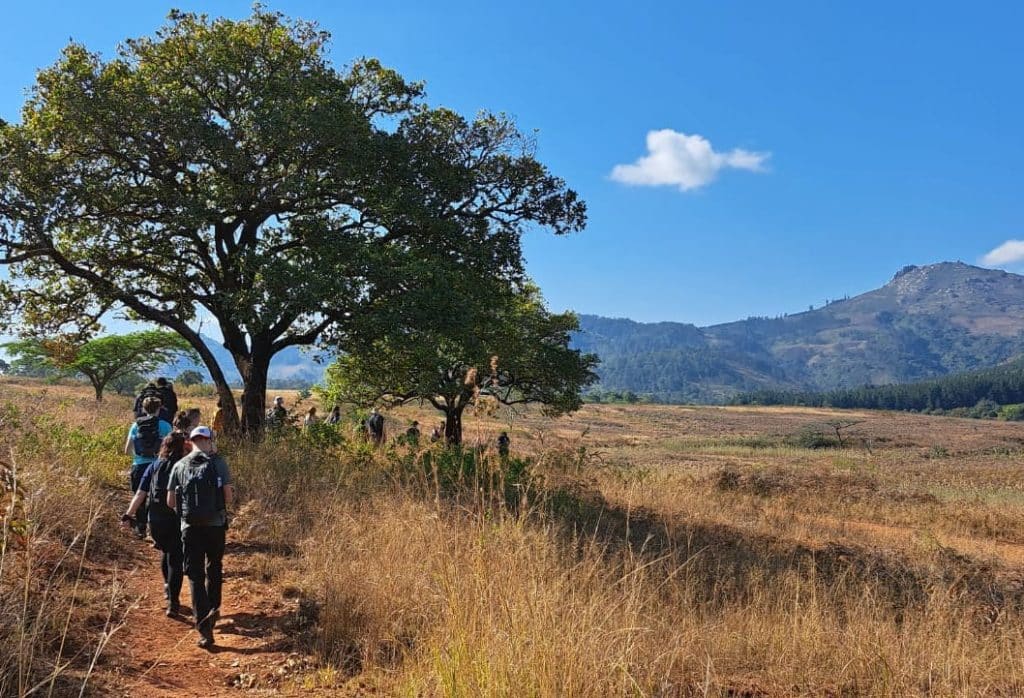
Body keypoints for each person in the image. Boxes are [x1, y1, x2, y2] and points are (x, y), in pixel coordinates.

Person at [167, 426, 234, 649]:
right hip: (215, 525)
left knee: (195, 575)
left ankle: (205, 630)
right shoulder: (218, 463)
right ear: (210, 440)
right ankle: (214, 608)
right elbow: (228, 496)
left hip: (190, 527)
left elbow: (170, 502)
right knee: (214, 565)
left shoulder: (179, 465)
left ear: (191, 441)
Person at [120, 432, 189, 616]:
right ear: (183, 449)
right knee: (176, 557)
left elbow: (140, 494)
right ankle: (173, 602)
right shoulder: (184, 467)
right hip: (177, 518)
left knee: (166, 551)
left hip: (156, 519)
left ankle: (167, 586)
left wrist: (128, 514)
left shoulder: (154, 466)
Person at [123, 397, 173, 539]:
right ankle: (156, 528)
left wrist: (139, 455)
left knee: (139, 496)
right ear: (159, 409)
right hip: (159, 466)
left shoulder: (135, 425)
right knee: (157, 496)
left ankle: (141, 527)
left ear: (143, 409)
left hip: (139, 465)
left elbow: (127, 450)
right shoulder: (165, 426)